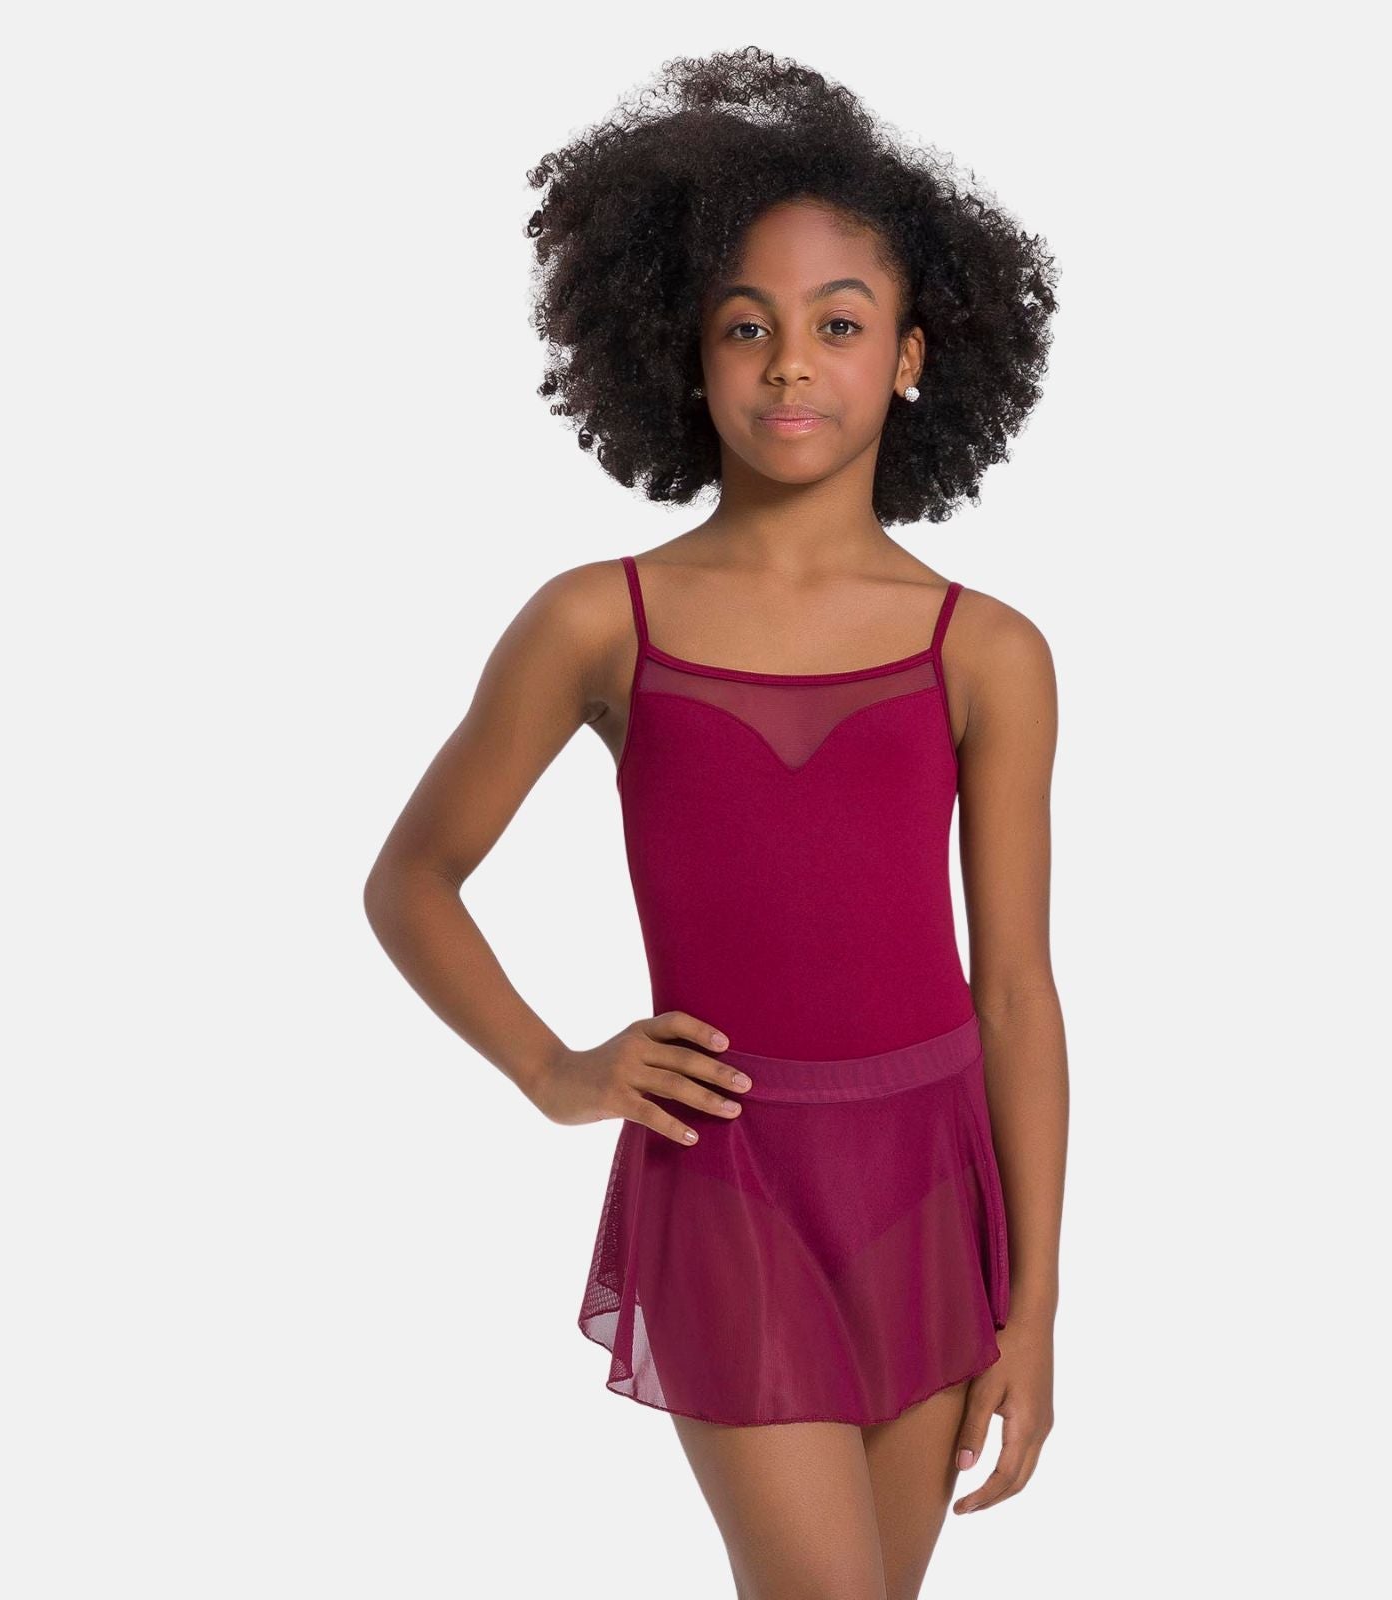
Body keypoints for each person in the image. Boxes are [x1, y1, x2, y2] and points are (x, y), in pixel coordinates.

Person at [364, 45, 1070, 1600]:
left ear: (914, 355)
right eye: (747, 326)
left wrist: (1035, 1303)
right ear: (684, 350)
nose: (789, 365)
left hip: (929, 1186)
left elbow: (1015, 991)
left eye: (839, 325)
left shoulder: (987, 652)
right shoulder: (598, 622)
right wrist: (554, 1068)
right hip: (727, 1171)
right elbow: (413, 880)